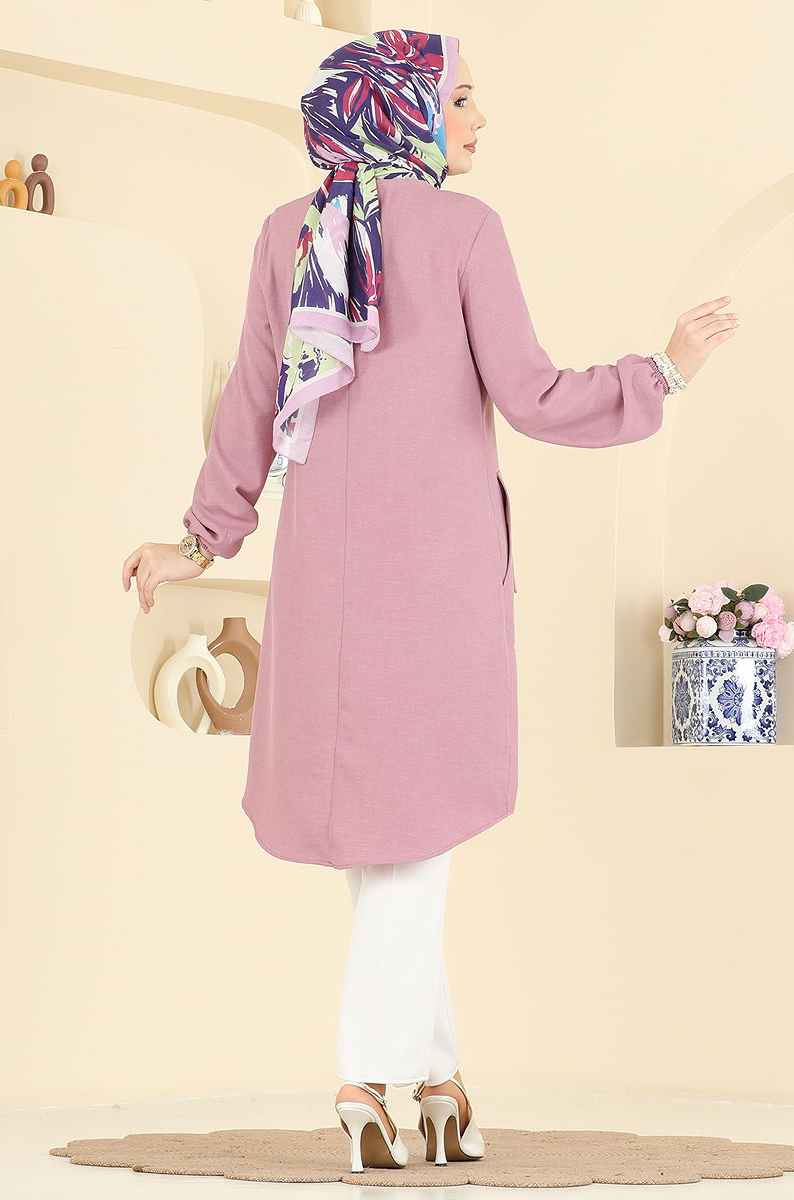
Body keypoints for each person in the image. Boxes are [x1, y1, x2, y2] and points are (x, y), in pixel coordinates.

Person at [122, 29, 740, 1174]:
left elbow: (249, 404)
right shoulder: (463, 231)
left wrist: (201, 541)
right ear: (401, 110)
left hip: (325, 585)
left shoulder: (287, 233)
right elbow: (534, 395)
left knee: (391, 831)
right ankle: (364, 1080)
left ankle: (442, 1085)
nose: (479, 119)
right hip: (434, 583)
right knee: (414, 824)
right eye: (460, 99)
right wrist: (662, 370)